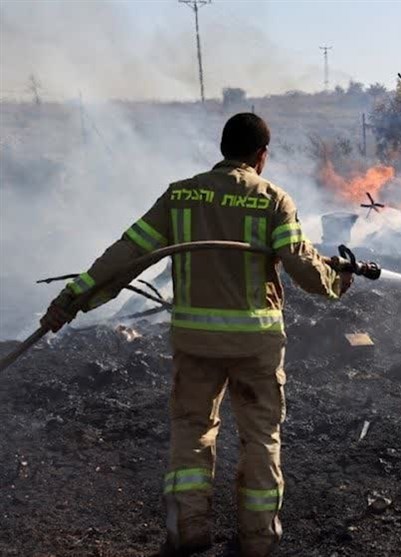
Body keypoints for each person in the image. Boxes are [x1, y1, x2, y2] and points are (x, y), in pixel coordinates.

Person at [40, 113, 353, 557]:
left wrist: (70, 301)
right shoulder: (273, 199)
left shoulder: (181, 196)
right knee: (261, 437)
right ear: (261, 155)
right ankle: (257, 541)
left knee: (191, 431)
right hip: (255, 345)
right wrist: (336, 280)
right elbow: (303, 266)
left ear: (223, 149)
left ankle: (187, 533)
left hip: (195, 343)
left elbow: (126, 254)